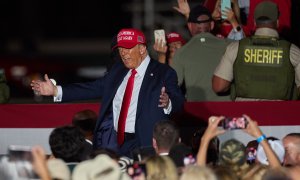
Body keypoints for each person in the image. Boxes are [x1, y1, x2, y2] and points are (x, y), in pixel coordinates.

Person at [31, 28, 184, 157]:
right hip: (118, 143)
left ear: (142, 48)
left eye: (128, 48)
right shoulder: (118, 70)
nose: (123, 53)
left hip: (147, 143)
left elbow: (179, 101)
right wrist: (56, 90)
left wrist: (168, 102)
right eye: (121, 49)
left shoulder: (164, 72)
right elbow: (92, 88)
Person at [212, 1, 300, 101]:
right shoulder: (293, 51)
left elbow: (218, 86)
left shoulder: (236, 48)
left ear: (254, 22)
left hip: (245, 113)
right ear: (278, 22)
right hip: (279, 114)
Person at [171, 5, 233, 101]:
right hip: (226, 110)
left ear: (189, 26)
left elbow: (172, 87)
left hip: (197, 112)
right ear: (212, 25)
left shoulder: (181, 53)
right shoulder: (230, 45)